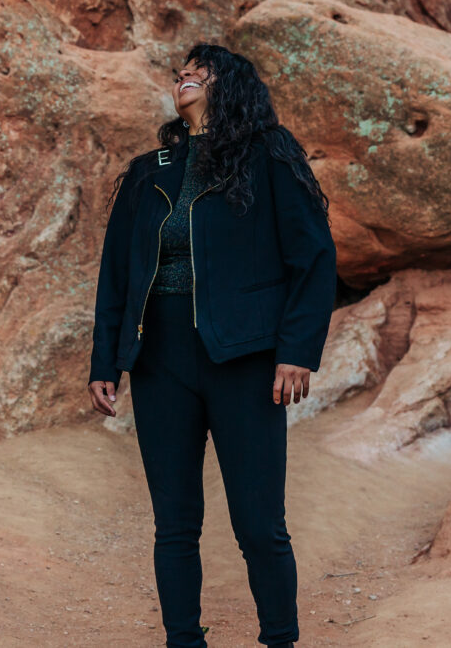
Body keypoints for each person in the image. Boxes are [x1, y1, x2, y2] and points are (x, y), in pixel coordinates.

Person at [87, 43, 337, 647]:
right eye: (180, 74)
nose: (186, 78)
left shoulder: (269, 155)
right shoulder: (150, 170)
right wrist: (106, 361)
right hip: (160, 361)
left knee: (259, 524)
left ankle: (280, 638)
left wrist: (296, 349)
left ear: (234, 87)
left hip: (244, 358)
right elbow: (117, 273)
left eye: (202, 72)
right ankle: (183, 639)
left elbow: (313, 256)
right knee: (175, 523)